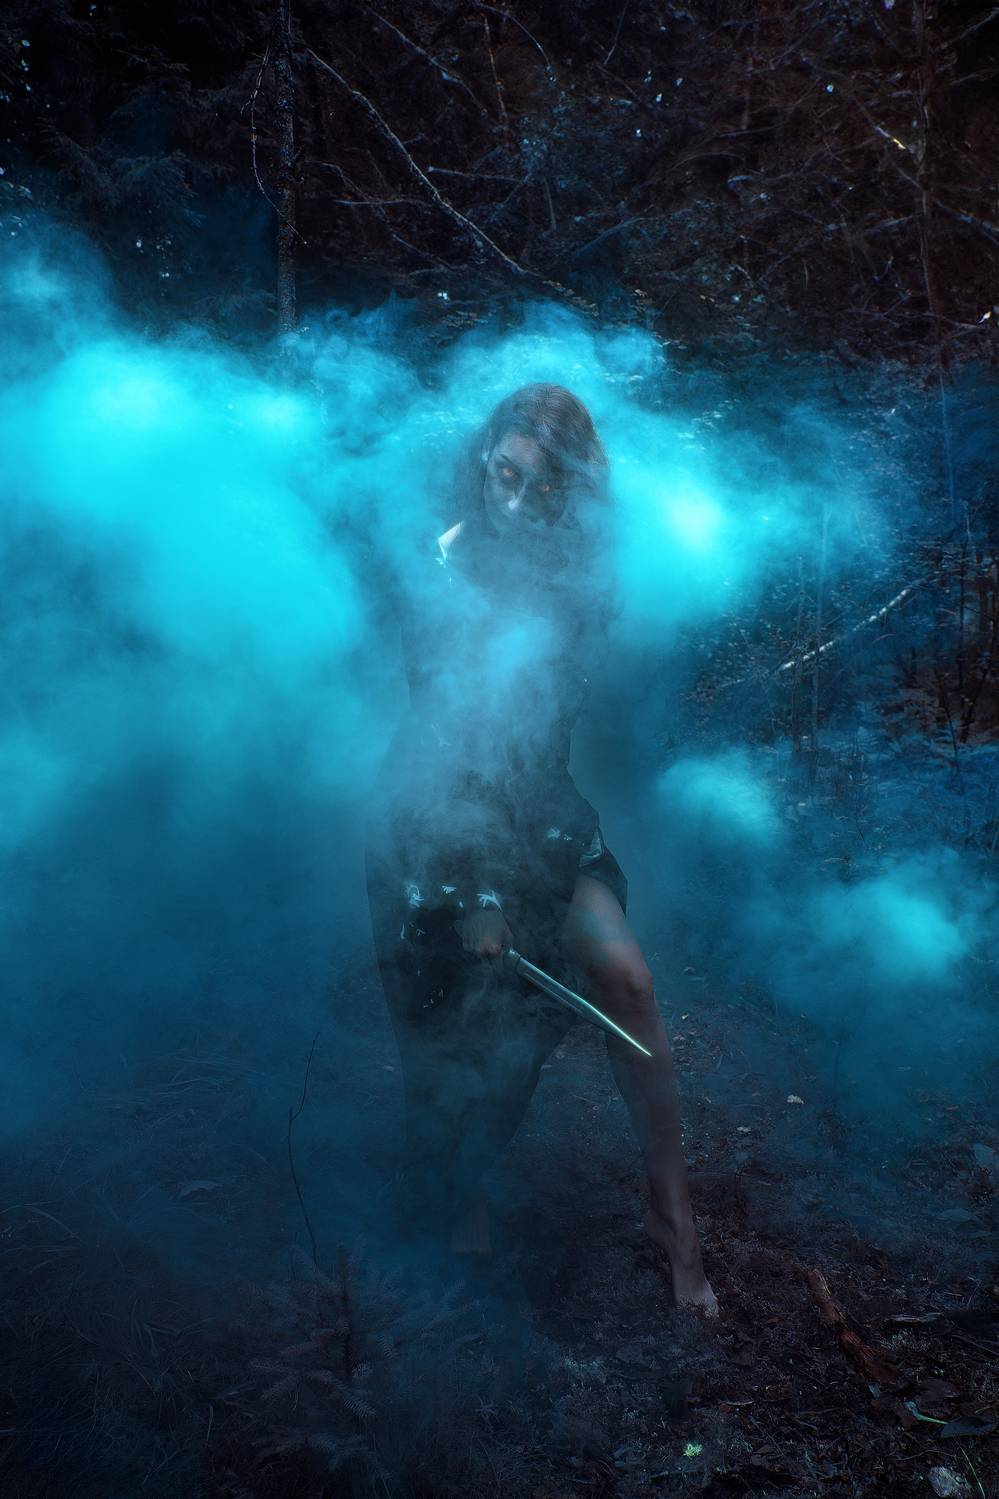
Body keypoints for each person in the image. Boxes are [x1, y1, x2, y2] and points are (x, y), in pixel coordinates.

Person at [365, 383, 717, 1314]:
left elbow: (537, 734)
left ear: (570, 491)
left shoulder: (577, 575)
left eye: (542, 487)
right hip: (435, 821)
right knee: (448, 1019)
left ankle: (674, 1219)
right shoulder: (441, 564)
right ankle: (463, 1190)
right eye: (505, 476)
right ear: (485, 458)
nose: (515, 503)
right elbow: (451, 742)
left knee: (627, 983)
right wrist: (478, 892)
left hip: (540, 813)